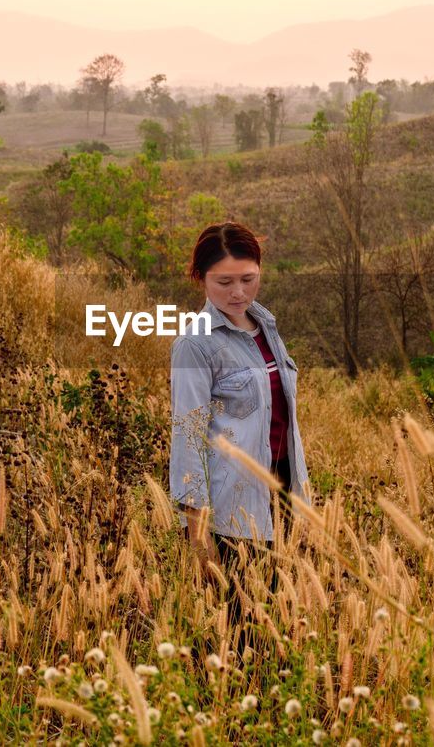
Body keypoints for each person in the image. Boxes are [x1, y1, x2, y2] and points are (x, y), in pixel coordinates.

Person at [169, 221, 311, 636]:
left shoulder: (265, 326)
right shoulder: (195, 344)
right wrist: (198, 536)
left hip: (283, 495)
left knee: (281, 622)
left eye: (248, 279)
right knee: (243, 631)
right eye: (224, 281)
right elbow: (188, 437)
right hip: (234, 510)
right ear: (200, 278)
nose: (238, 293)